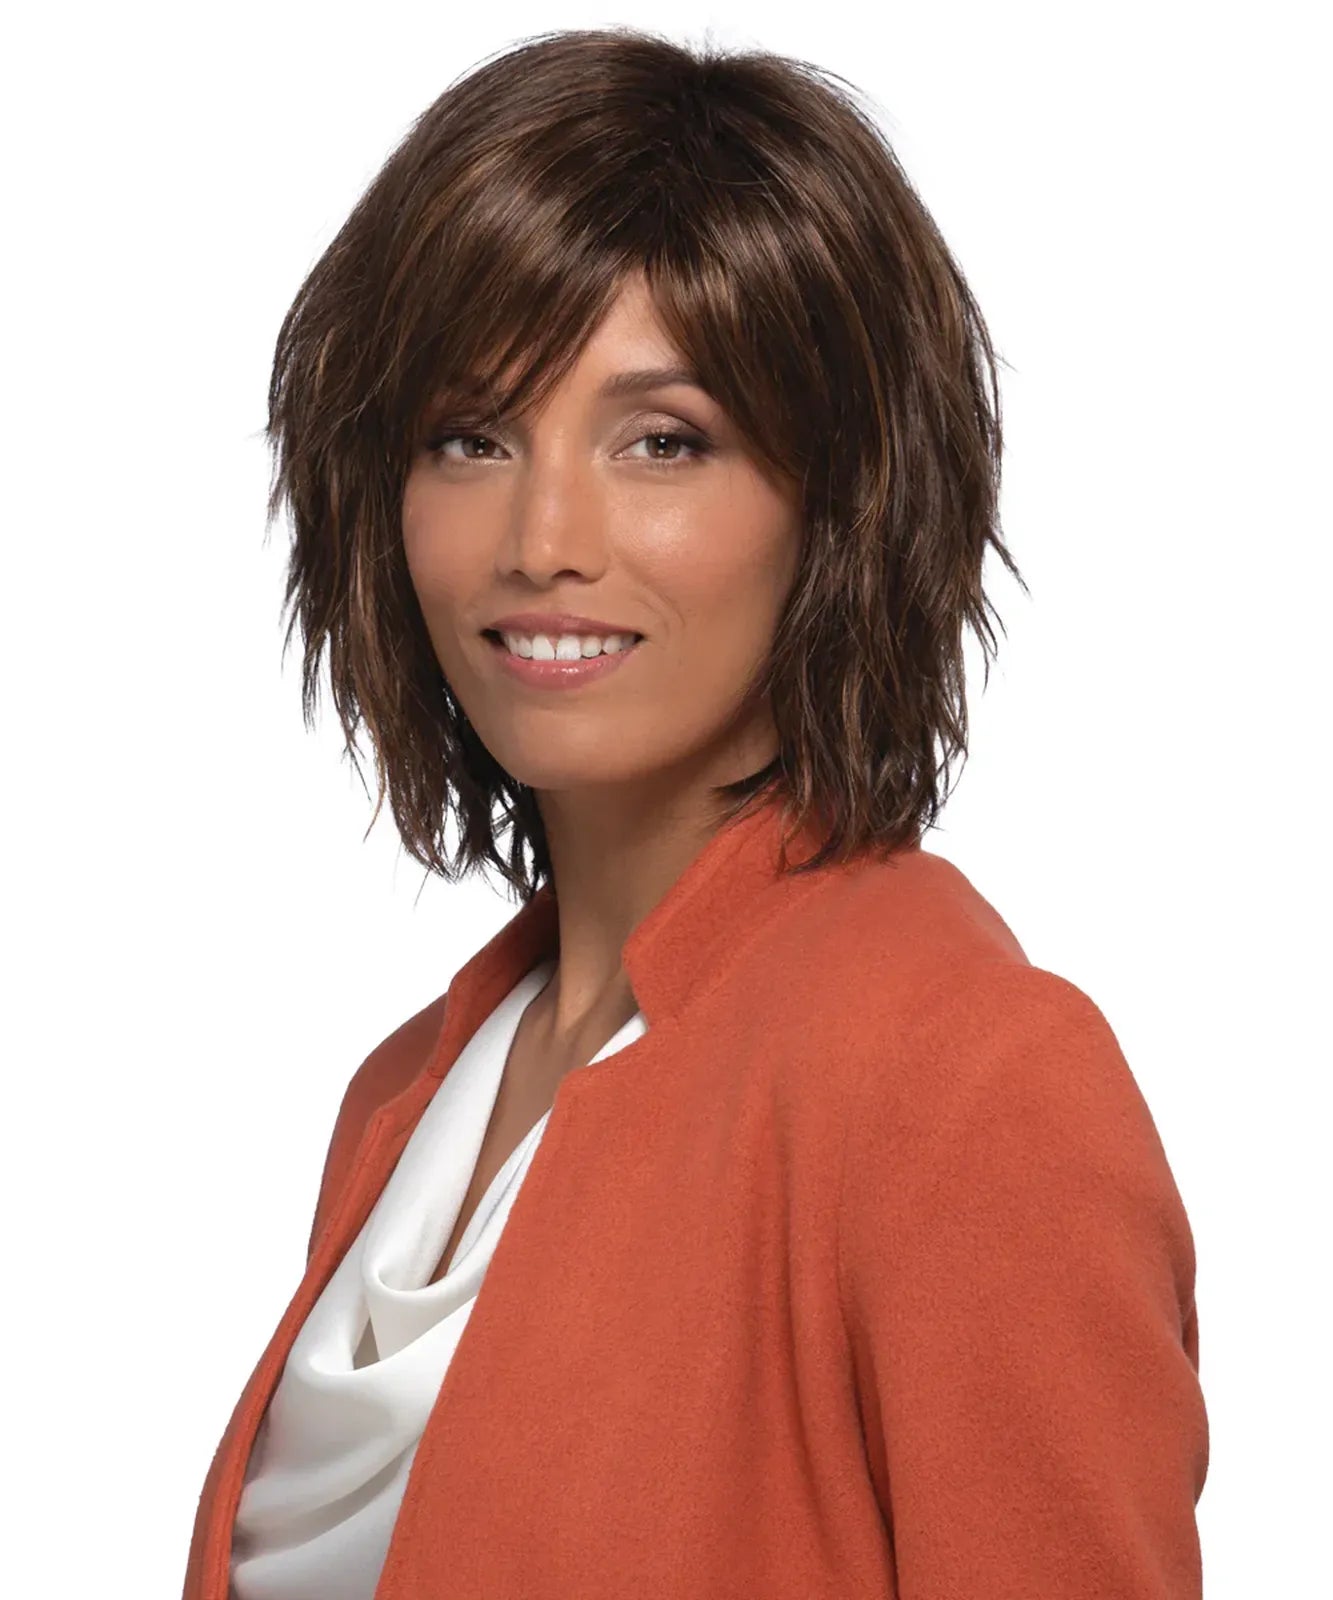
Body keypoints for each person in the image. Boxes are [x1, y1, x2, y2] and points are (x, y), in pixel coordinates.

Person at [181, 25, 1208, 1600]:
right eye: (470, 437)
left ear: (841, 502)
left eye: (662, 441)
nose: (542, 536)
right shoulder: (406, 1096)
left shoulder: (964, 1085)